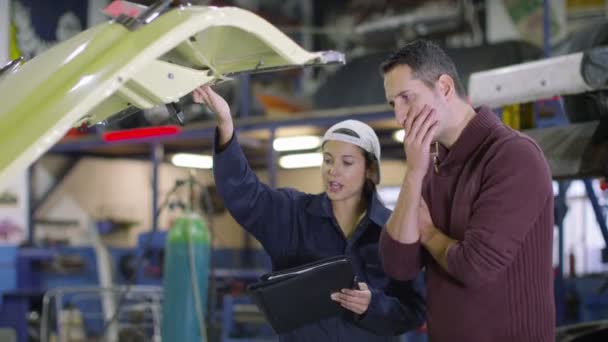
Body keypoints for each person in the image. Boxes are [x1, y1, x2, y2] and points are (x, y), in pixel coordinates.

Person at [193, 85, 426, 342]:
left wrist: (374, 306)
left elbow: (414, 310)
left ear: (370, 170)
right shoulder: (292, 216)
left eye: (346, 162)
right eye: (327, 160)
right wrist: (226, 124)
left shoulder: (393, 232)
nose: (333, 170)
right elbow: (244, 194)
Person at [379, 39, 555, 342]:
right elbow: (399, 265)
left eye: (407, 98)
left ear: (445, 87)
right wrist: (413, 174)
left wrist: (430, 234)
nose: (399, 116)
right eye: (394, 103)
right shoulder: (430, 165)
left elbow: (476, 266)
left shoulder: (513, 156)